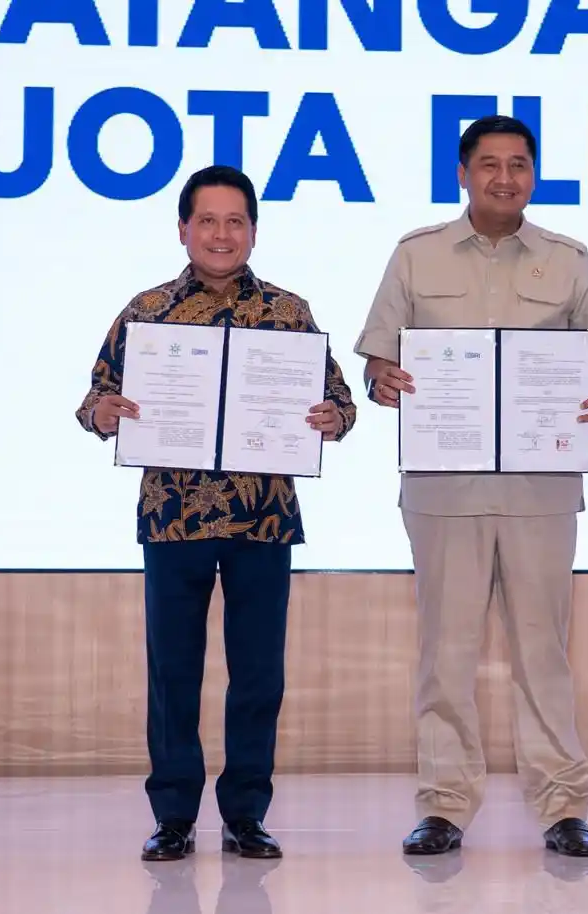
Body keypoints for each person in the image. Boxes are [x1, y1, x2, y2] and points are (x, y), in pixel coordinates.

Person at [354, 115, 588, 858]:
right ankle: (444, 805)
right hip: (444, 491)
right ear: (463, 173)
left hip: (542, 491)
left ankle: (562, 806)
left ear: (533, 175)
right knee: (445, 653)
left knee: (545, 652)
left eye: (518, 165)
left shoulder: (569, 260)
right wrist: (383, 382)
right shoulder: (416, 256)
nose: (504, 178)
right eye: (489, 165)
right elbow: (378, 360)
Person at [75, 164, 357, 862]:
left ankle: (245, 814)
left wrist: (331, 416)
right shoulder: (146, 311)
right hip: (174, 520)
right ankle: (173, 815)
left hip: (263, 521)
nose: (222, 234)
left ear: (253, 231)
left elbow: (342, 403)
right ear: (183, 228)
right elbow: (94, 399)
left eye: (236, 222)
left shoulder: (289, 312)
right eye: (208, 220)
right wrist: (104, 413)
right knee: (174, 672)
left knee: (258, 674)